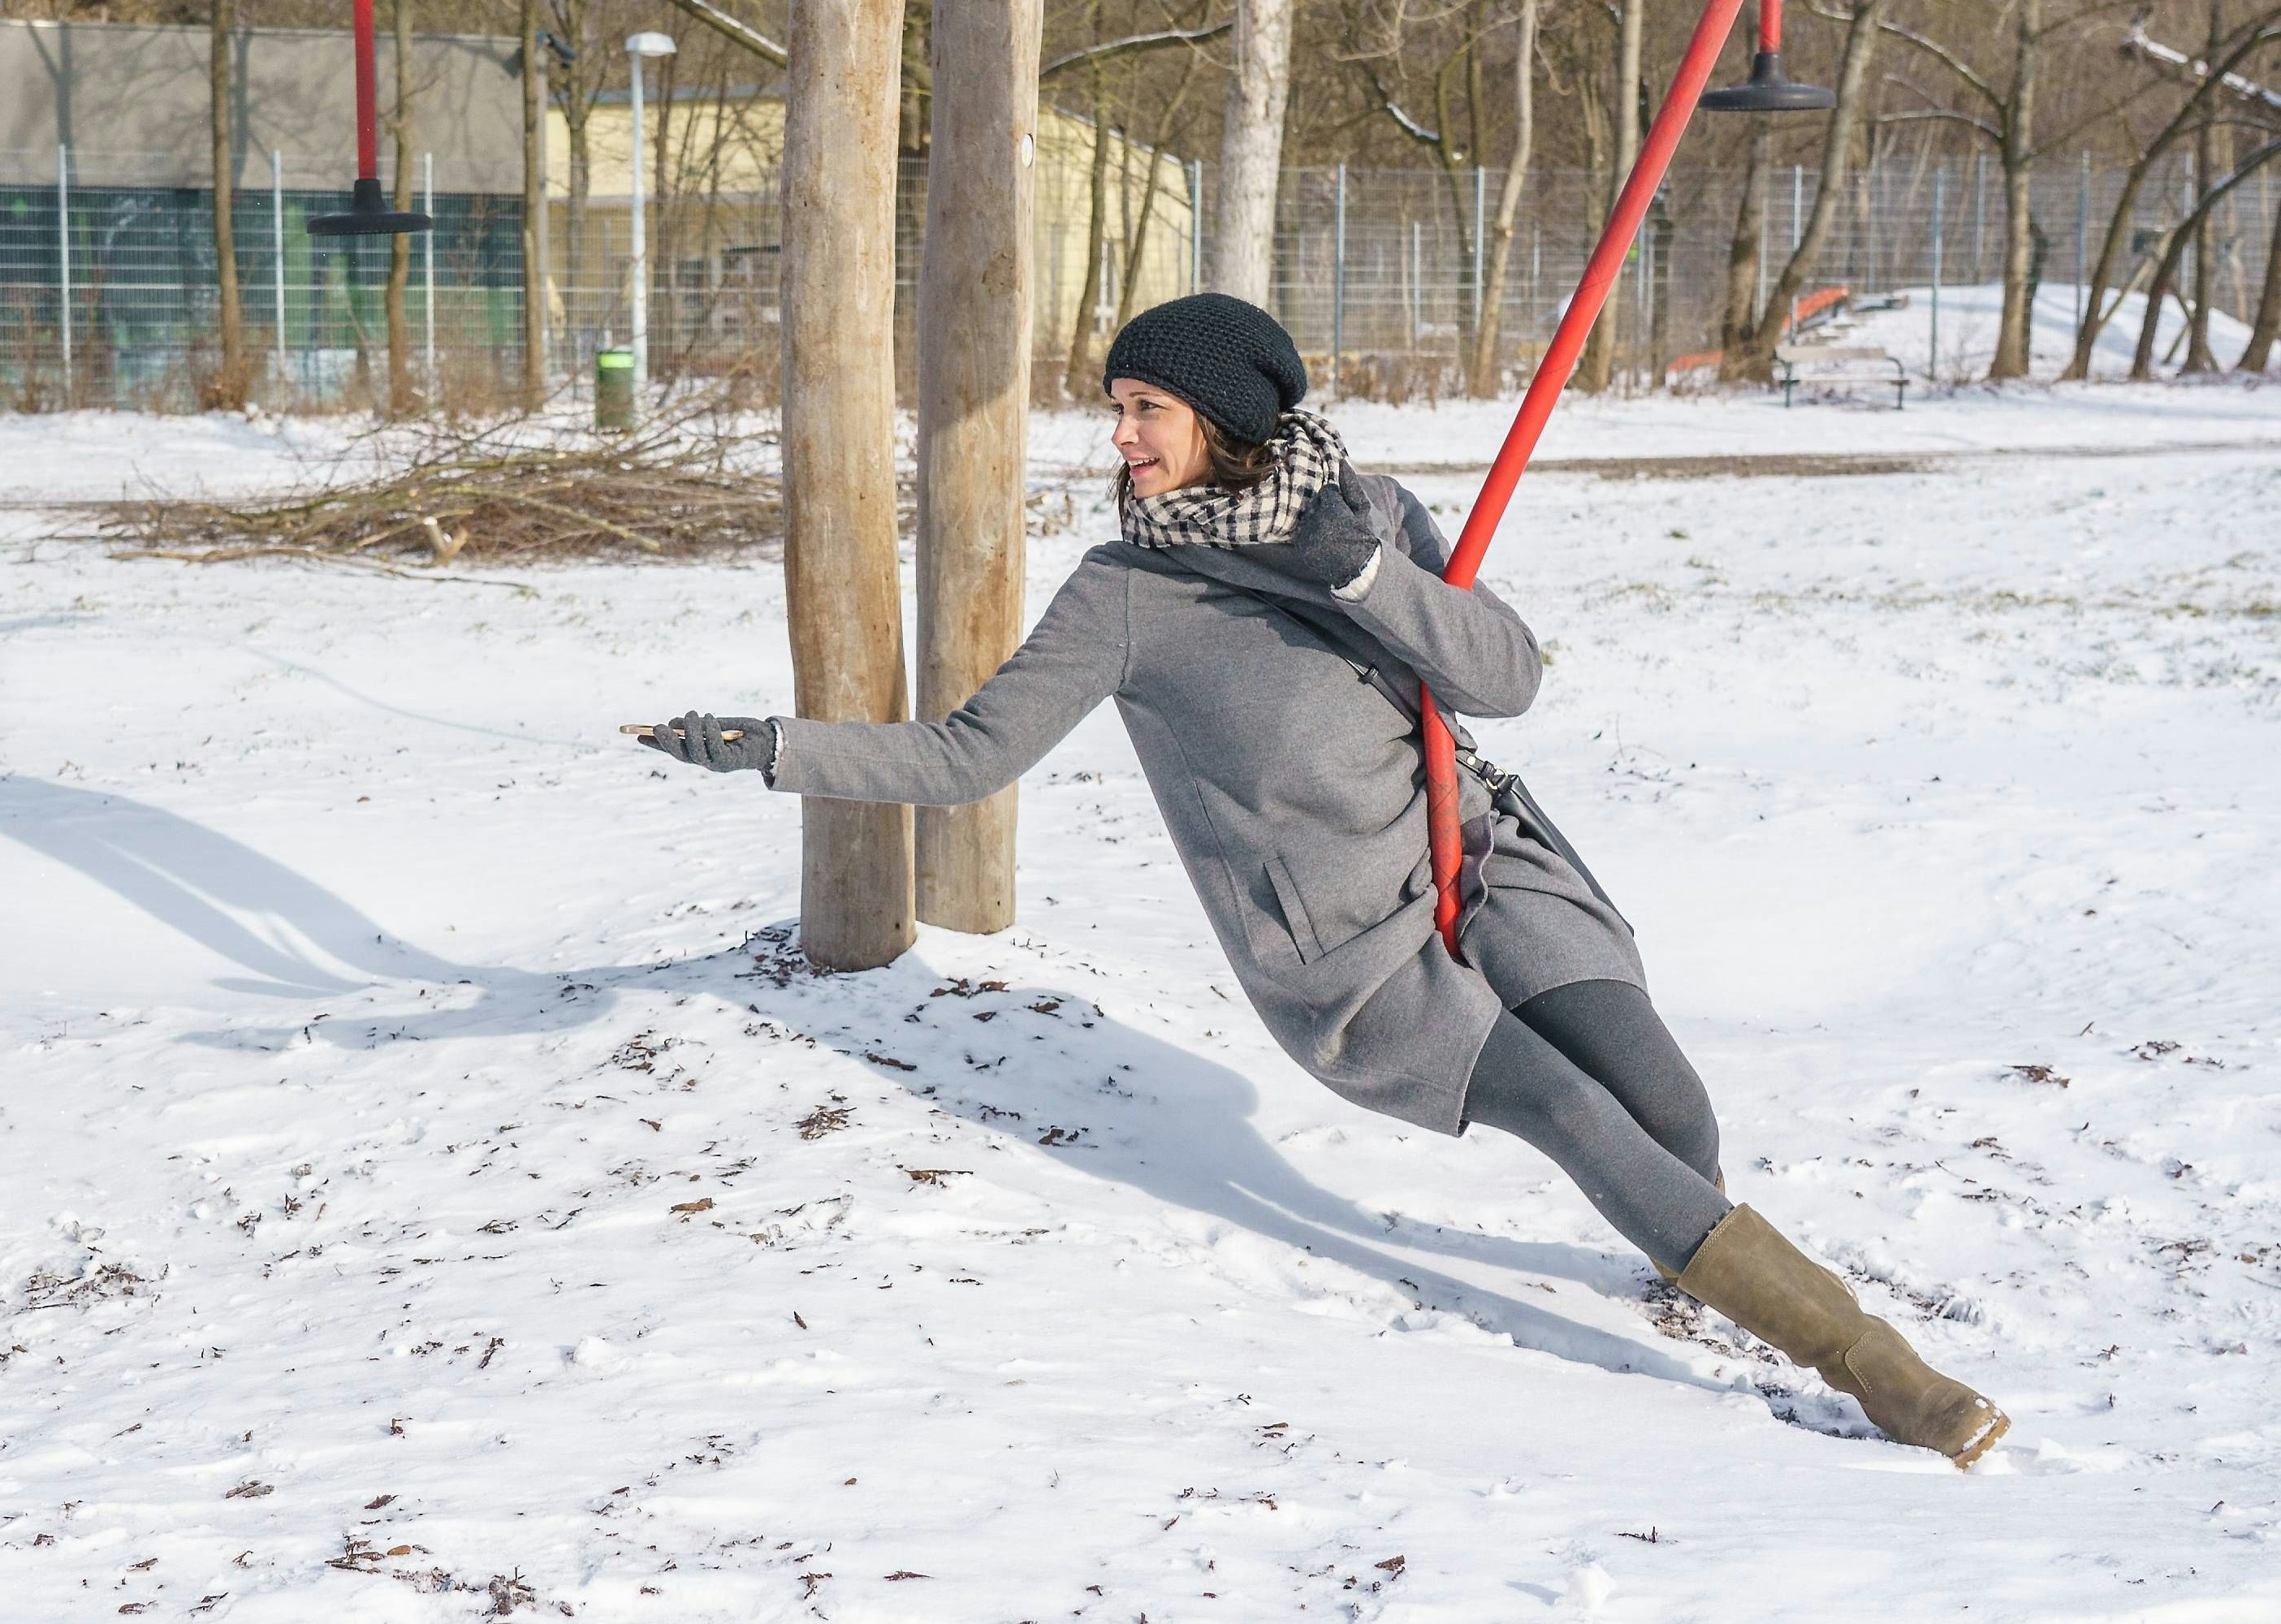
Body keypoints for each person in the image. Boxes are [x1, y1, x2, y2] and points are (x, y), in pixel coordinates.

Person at [637, 293, 2007, 1466]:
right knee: (1580, 1117)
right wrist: (771, 749)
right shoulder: (1125, 597)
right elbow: (963, 757)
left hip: (1486, 864)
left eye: (1142, 409)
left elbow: (1503, 676)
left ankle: (1685, 1251)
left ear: (1223, 419)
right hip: (1358, 953)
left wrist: (1357, 572)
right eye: (1116, 409)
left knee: (1664, 1104)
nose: (1118, 440)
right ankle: (1878, 1370)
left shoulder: (1366, 513)